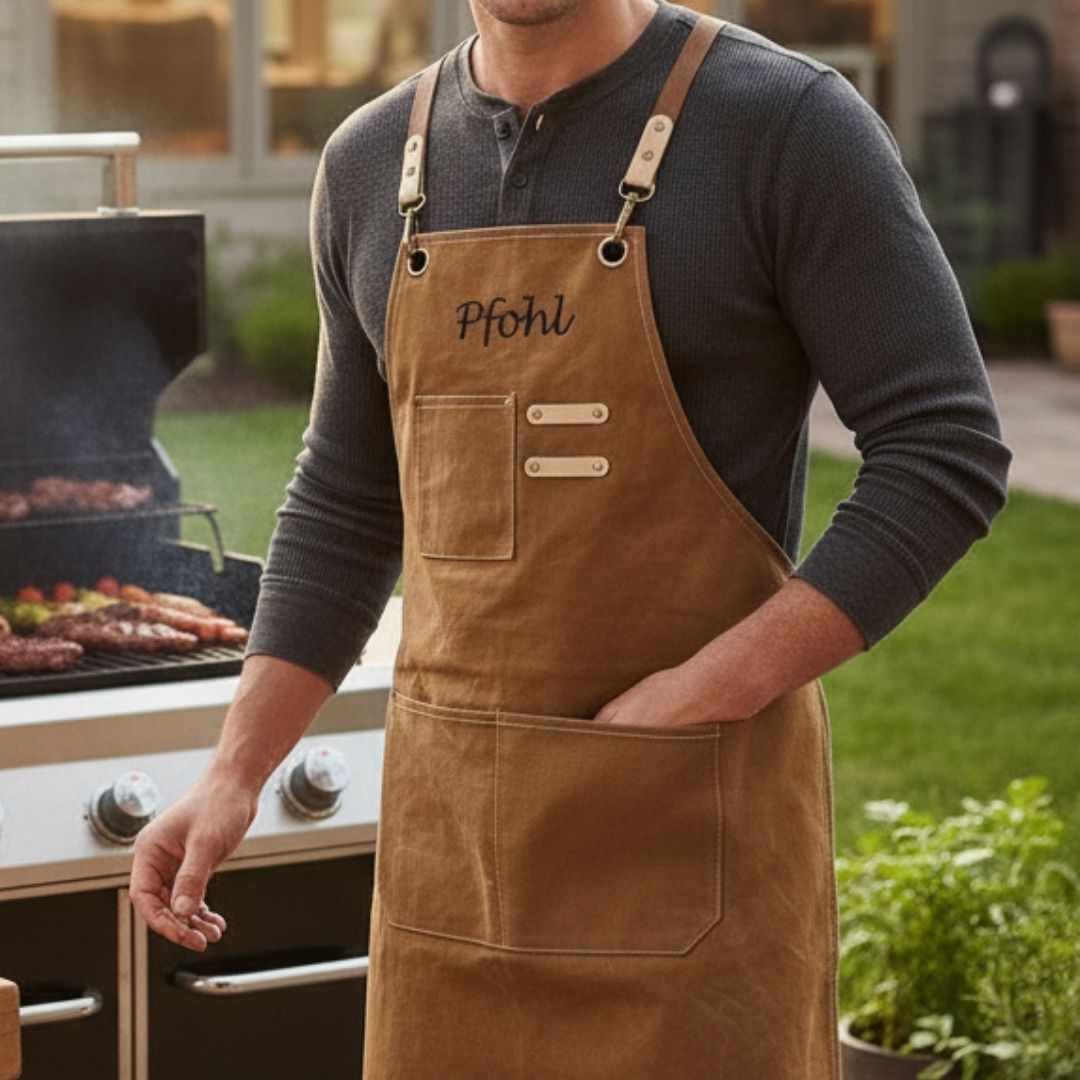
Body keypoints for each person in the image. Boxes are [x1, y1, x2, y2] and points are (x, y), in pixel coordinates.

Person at [129, 2, 1012, 1077]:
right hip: (452, 878)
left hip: (691, 853)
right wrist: (235, 772)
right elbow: (348, 501)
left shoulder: (786, 126)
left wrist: (700, 695)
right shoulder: (370, 163)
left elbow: (942, 451)